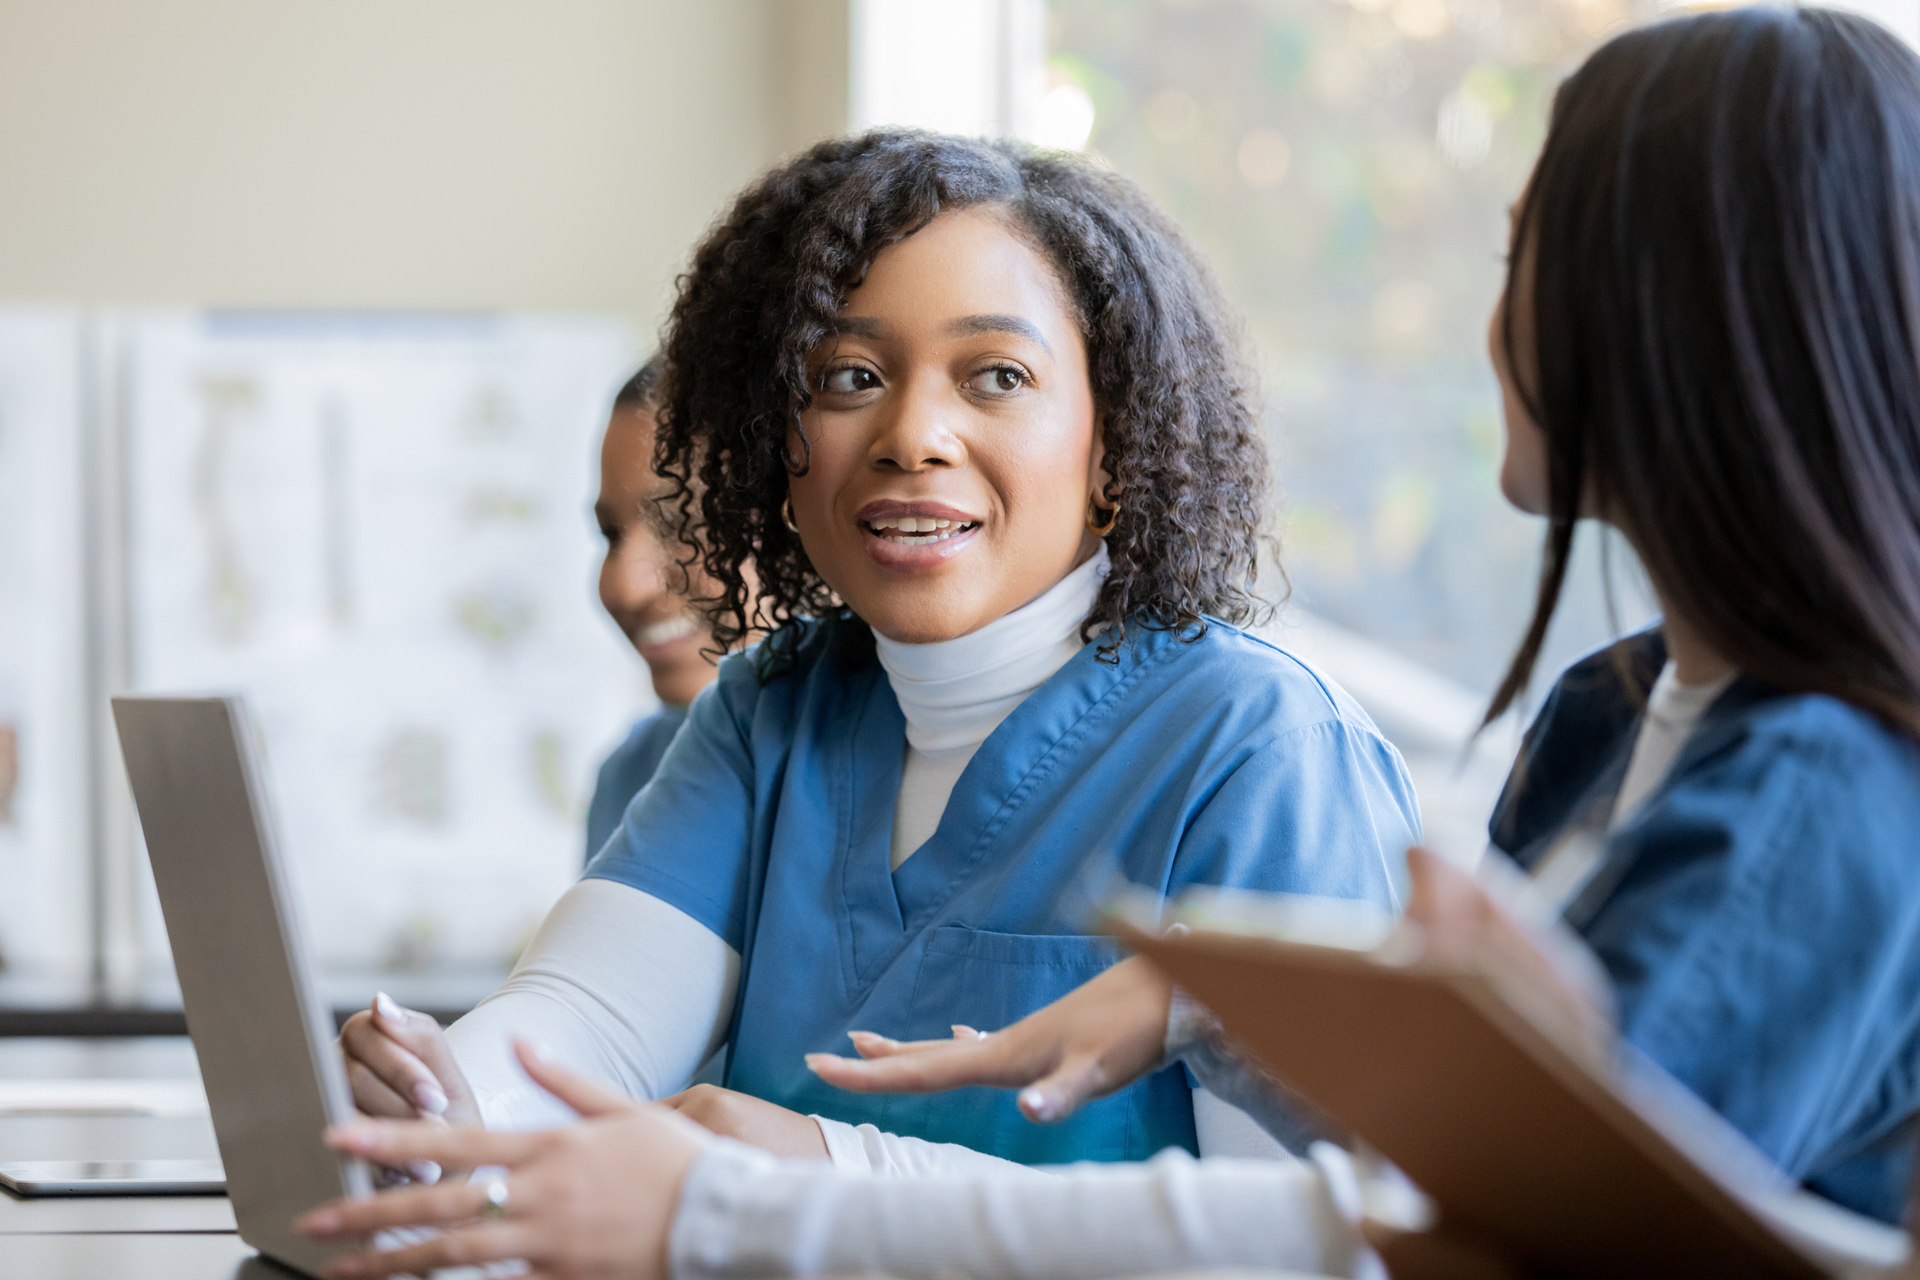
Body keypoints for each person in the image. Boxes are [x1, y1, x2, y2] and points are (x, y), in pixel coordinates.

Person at [298, 10, 1920, 1278]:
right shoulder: (1604, 717)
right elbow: (1474, 1177)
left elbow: (1415, 1241)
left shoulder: (1812, 790)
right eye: (847, 377)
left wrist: (765, 1201)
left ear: (1661, 325)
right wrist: (465, 1100)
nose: (1496, 324)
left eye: (1526, 260)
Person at [333, 129, 1421, 1175]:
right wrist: (441, 1096)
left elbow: (1304, 1238)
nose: (912, 433)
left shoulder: (1261, 745)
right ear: (778, 448)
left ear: (1115, 446)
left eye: (995, 374)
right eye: (851, 376)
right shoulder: (773, 708)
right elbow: (584, 1021)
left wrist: (841, 1175)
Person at [583, 356, 720, 863]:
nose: (624, 587)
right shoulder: (633, 777)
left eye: (683, 524)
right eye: (610, 535)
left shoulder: (915, 765)